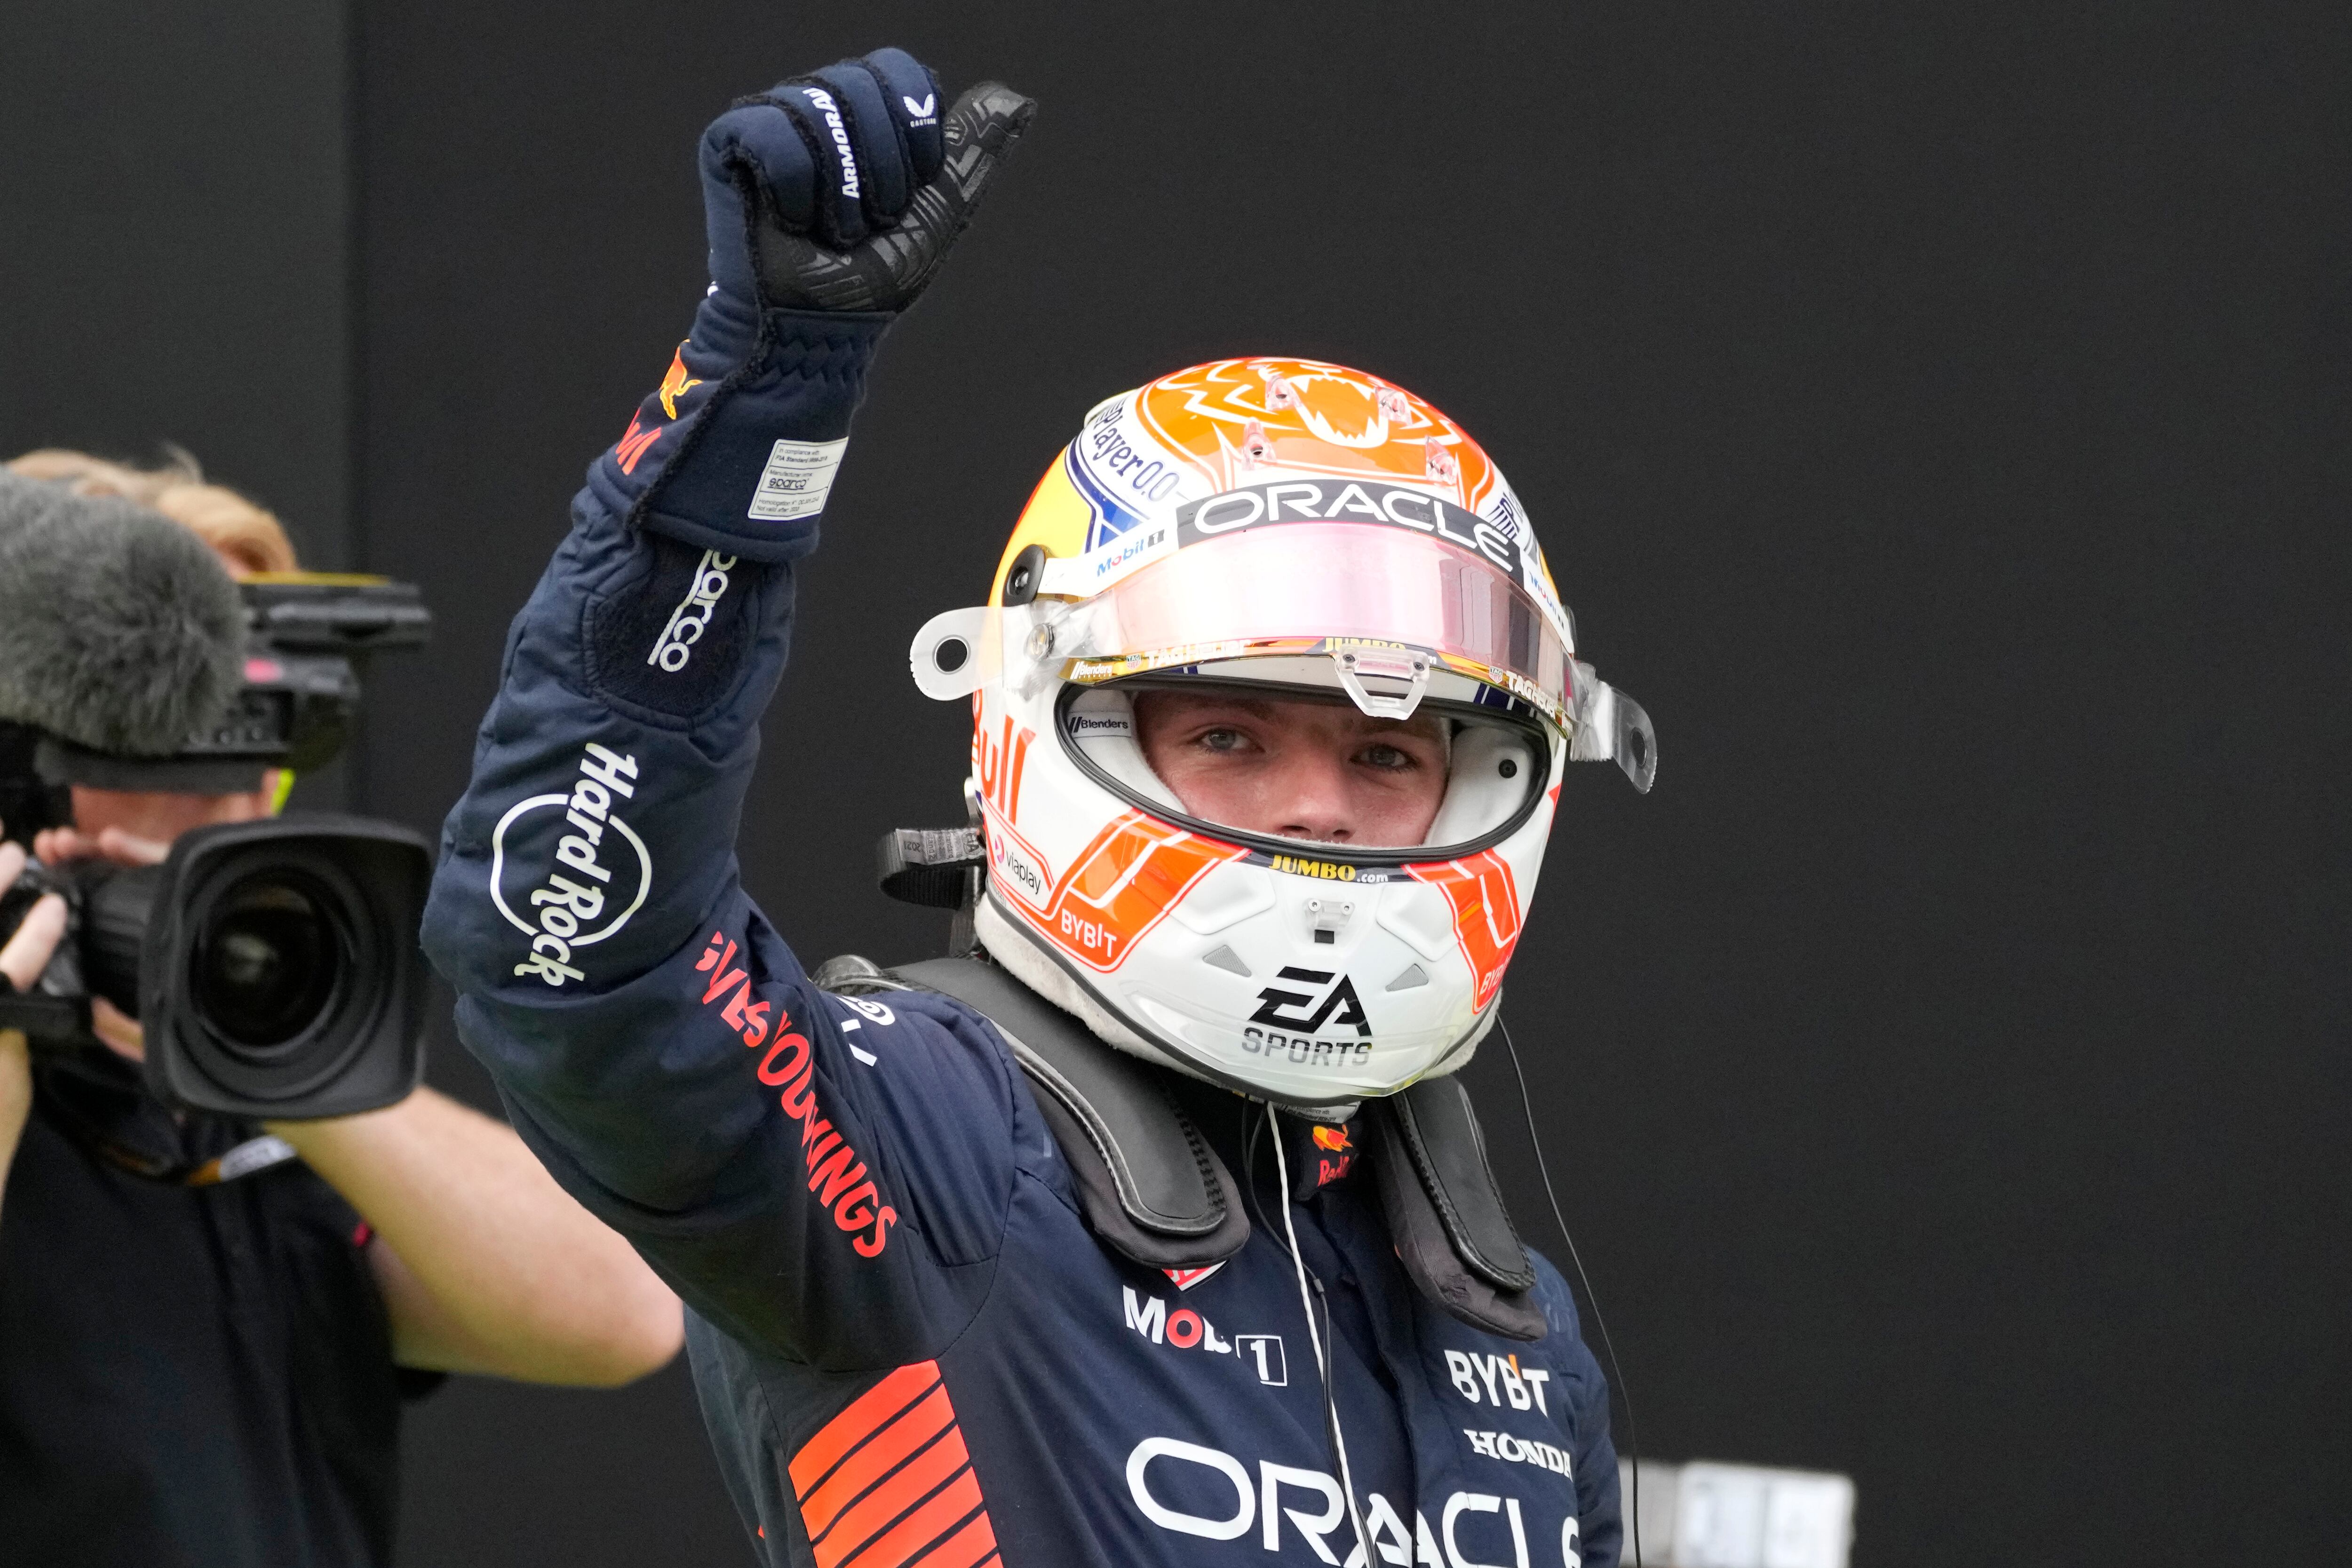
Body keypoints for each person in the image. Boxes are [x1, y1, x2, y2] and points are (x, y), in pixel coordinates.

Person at [421, 48, 1656, 1567]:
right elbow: (570, 957)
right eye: (1228, 732)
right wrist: (757, 412)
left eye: (1394, 757)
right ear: (1032, 734)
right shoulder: (927, 1152)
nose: (1322, 808)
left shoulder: (1515, 1329)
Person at [0, 450, 686, 1568]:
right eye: (159, 728)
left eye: (260, 726)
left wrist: (272, 1051)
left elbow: (623, 1316)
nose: (225, 794)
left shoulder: (264, 1115)